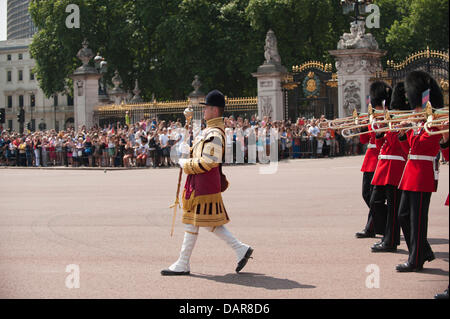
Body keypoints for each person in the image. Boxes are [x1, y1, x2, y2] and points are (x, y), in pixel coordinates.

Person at [161, 89, 253, 276]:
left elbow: (208, 161)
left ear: (215, 110)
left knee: (195, 223)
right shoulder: (209, 131)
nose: (203, 111)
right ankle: (240, 249)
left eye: (207, 108)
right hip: (200, 183)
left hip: (203, 185)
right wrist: (188, 150)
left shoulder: (215, 134)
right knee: (206, 222)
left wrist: (185, 163)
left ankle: (183, 263)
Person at [395, 70, 444, 272]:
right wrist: (403, 135)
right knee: (403, 215)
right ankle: (422, 251)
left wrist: (411, 129)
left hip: (422, 174)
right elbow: (410, 150)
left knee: (417, 220)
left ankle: (416, 260)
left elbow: (424, 147)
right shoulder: (422, 123)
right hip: (411, 173)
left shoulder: (433, 123)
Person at [370, 82, 408, 253]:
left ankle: (390, 240)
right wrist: (379, 132)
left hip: (395, 167)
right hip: (384, 165)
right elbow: (381, 145)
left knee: (393, 208)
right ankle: (387, 234)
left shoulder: (403, 123)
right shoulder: (391, 120)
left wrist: (390, 129)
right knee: (375, 202)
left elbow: (399, 146)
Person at [355, 81, 390, 239]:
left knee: (375, 197)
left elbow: (381, 141)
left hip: (380, 158)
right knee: (366, 194)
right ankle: (382, 222)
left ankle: (372, 227)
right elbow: (363, 141)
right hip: (370, 159)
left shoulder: (387, 117)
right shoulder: (372, 116)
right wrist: (363, 128)